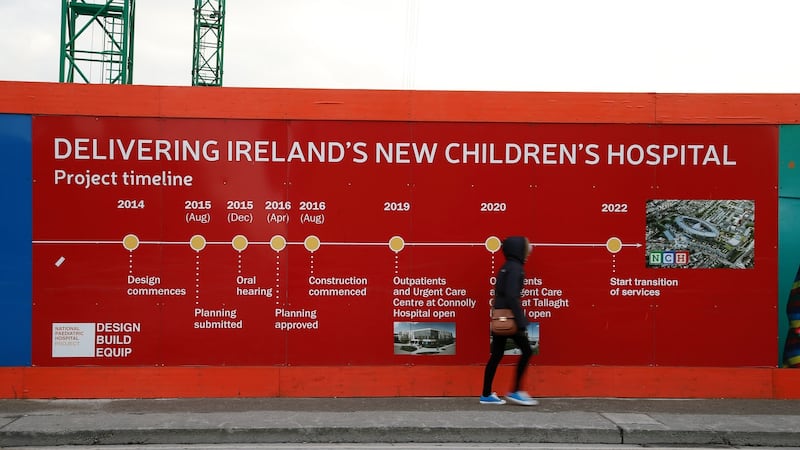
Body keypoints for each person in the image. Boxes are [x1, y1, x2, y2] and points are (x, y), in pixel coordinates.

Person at [480, 235, 537, 406]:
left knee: (496, 355)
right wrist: (521, 320)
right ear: (519, 250)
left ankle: (486, 394)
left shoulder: (505, 267)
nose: (528, 253)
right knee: (527, 351)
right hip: (510, 317)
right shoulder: (516, 268)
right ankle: (516, 391)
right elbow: (512, 296)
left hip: (500, 316)